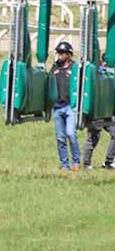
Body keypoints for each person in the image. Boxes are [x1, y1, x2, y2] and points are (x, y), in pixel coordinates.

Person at [51, 41, 80, 172]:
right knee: (60, 137)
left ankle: (76, 162)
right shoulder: (54, 68)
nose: (60, 55)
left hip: (70, 107)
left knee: (71, 134)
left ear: (69, 54)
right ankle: (64, 165)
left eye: (62, 53)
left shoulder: (75, 69)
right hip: (57, 107)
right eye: (58, 53)